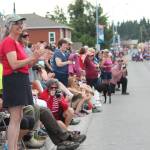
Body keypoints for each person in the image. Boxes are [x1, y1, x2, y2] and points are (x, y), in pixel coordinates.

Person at [0, 14, 45, 150]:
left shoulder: (16, 43)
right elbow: (14, 64)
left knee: (18, 117)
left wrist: (35, 58)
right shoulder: (8, 42)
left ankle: (13, 147)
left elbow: (25, 66)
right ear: (10, 26)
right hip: (14, 79)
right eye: (16, 23)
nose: (20, 25)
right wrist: (31, 57)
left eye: (21, 23)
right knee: (15, 118)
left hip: (20, 78)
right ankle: (11, 147)